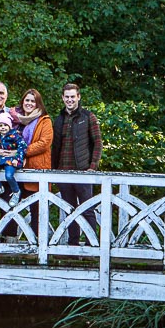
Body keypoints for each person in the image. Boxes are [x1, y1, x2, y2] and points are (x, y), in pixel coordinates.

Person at [50, 83, 102, 246]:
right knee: (69, 211)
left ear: (78, 97)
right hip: (63, 172)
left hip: (82, 171)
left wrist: (92, 167)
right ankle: (73, 245)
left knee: (87, 210)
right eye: (67, 97)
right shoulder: (59, 119)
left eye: (73, 96)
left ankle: (91, 245)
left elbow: (98, 143)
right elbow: (55, 147)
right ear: (62, 98)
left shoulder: (88, 117)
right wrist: (53, 170)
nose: (70, 100)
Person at [13, 88, 53, 234]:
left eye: (32, 101)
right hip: (17, 170)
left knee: (37, 212)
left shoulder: (44, 121)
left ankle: (39, 245)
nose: (29, 103)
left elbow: (44, 143)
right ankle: (9, 243)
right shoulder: (16, 121)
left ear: (38, 104)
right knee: (12, 208)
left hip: (36, 171)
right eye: (27, 100)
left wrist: (21, 152)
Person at [0, 112, 27, 206]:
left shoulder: (15, 135)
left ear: (10, 126)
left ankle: (16, 192)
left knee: (9, 175)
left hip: (11, 160)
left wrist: (17, 159)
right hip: (0, 160)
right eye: (0, 125)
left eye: (5, 125)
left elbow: (22, 147)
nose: (3, 127)